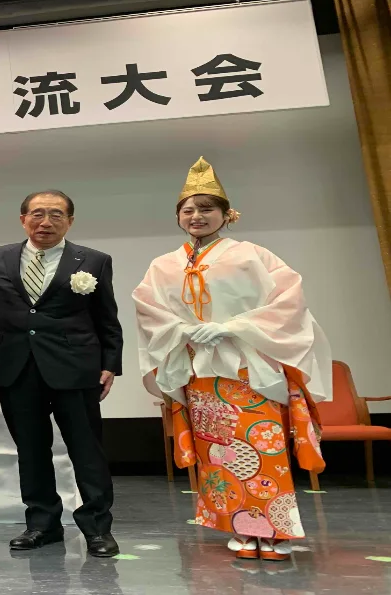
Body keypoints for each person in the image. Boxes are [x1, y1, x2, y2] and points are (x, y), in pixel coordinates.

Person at [132, 157, 330, 562]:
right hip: (200, 370)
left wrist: (236, 326)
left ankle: (272, 530)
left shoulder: (252, 254)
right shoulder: (164, 264)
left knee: (261, 445)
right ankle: (239, 526)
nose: (197, 216)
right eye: (188, 210)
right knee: (218, 453)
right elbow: (147, 306)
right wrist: (181, 330)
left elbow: (289, 301)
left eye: (207, 209)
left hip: (246, 367)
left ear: (226, 214)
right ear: (178, 217)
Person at [0, 191, 123, 558]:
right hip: (15, 366)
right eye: (38, 214)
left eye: (56, 214)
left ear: (70, 221)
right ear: (23, 218)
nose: (46, 221)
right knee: (30, 450)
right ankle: (43, 524)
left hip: (76, 368)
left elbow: (107, 317)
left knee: (87, 451)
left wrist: (110, 364)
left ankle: (96, 528)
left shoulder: (93, 260)